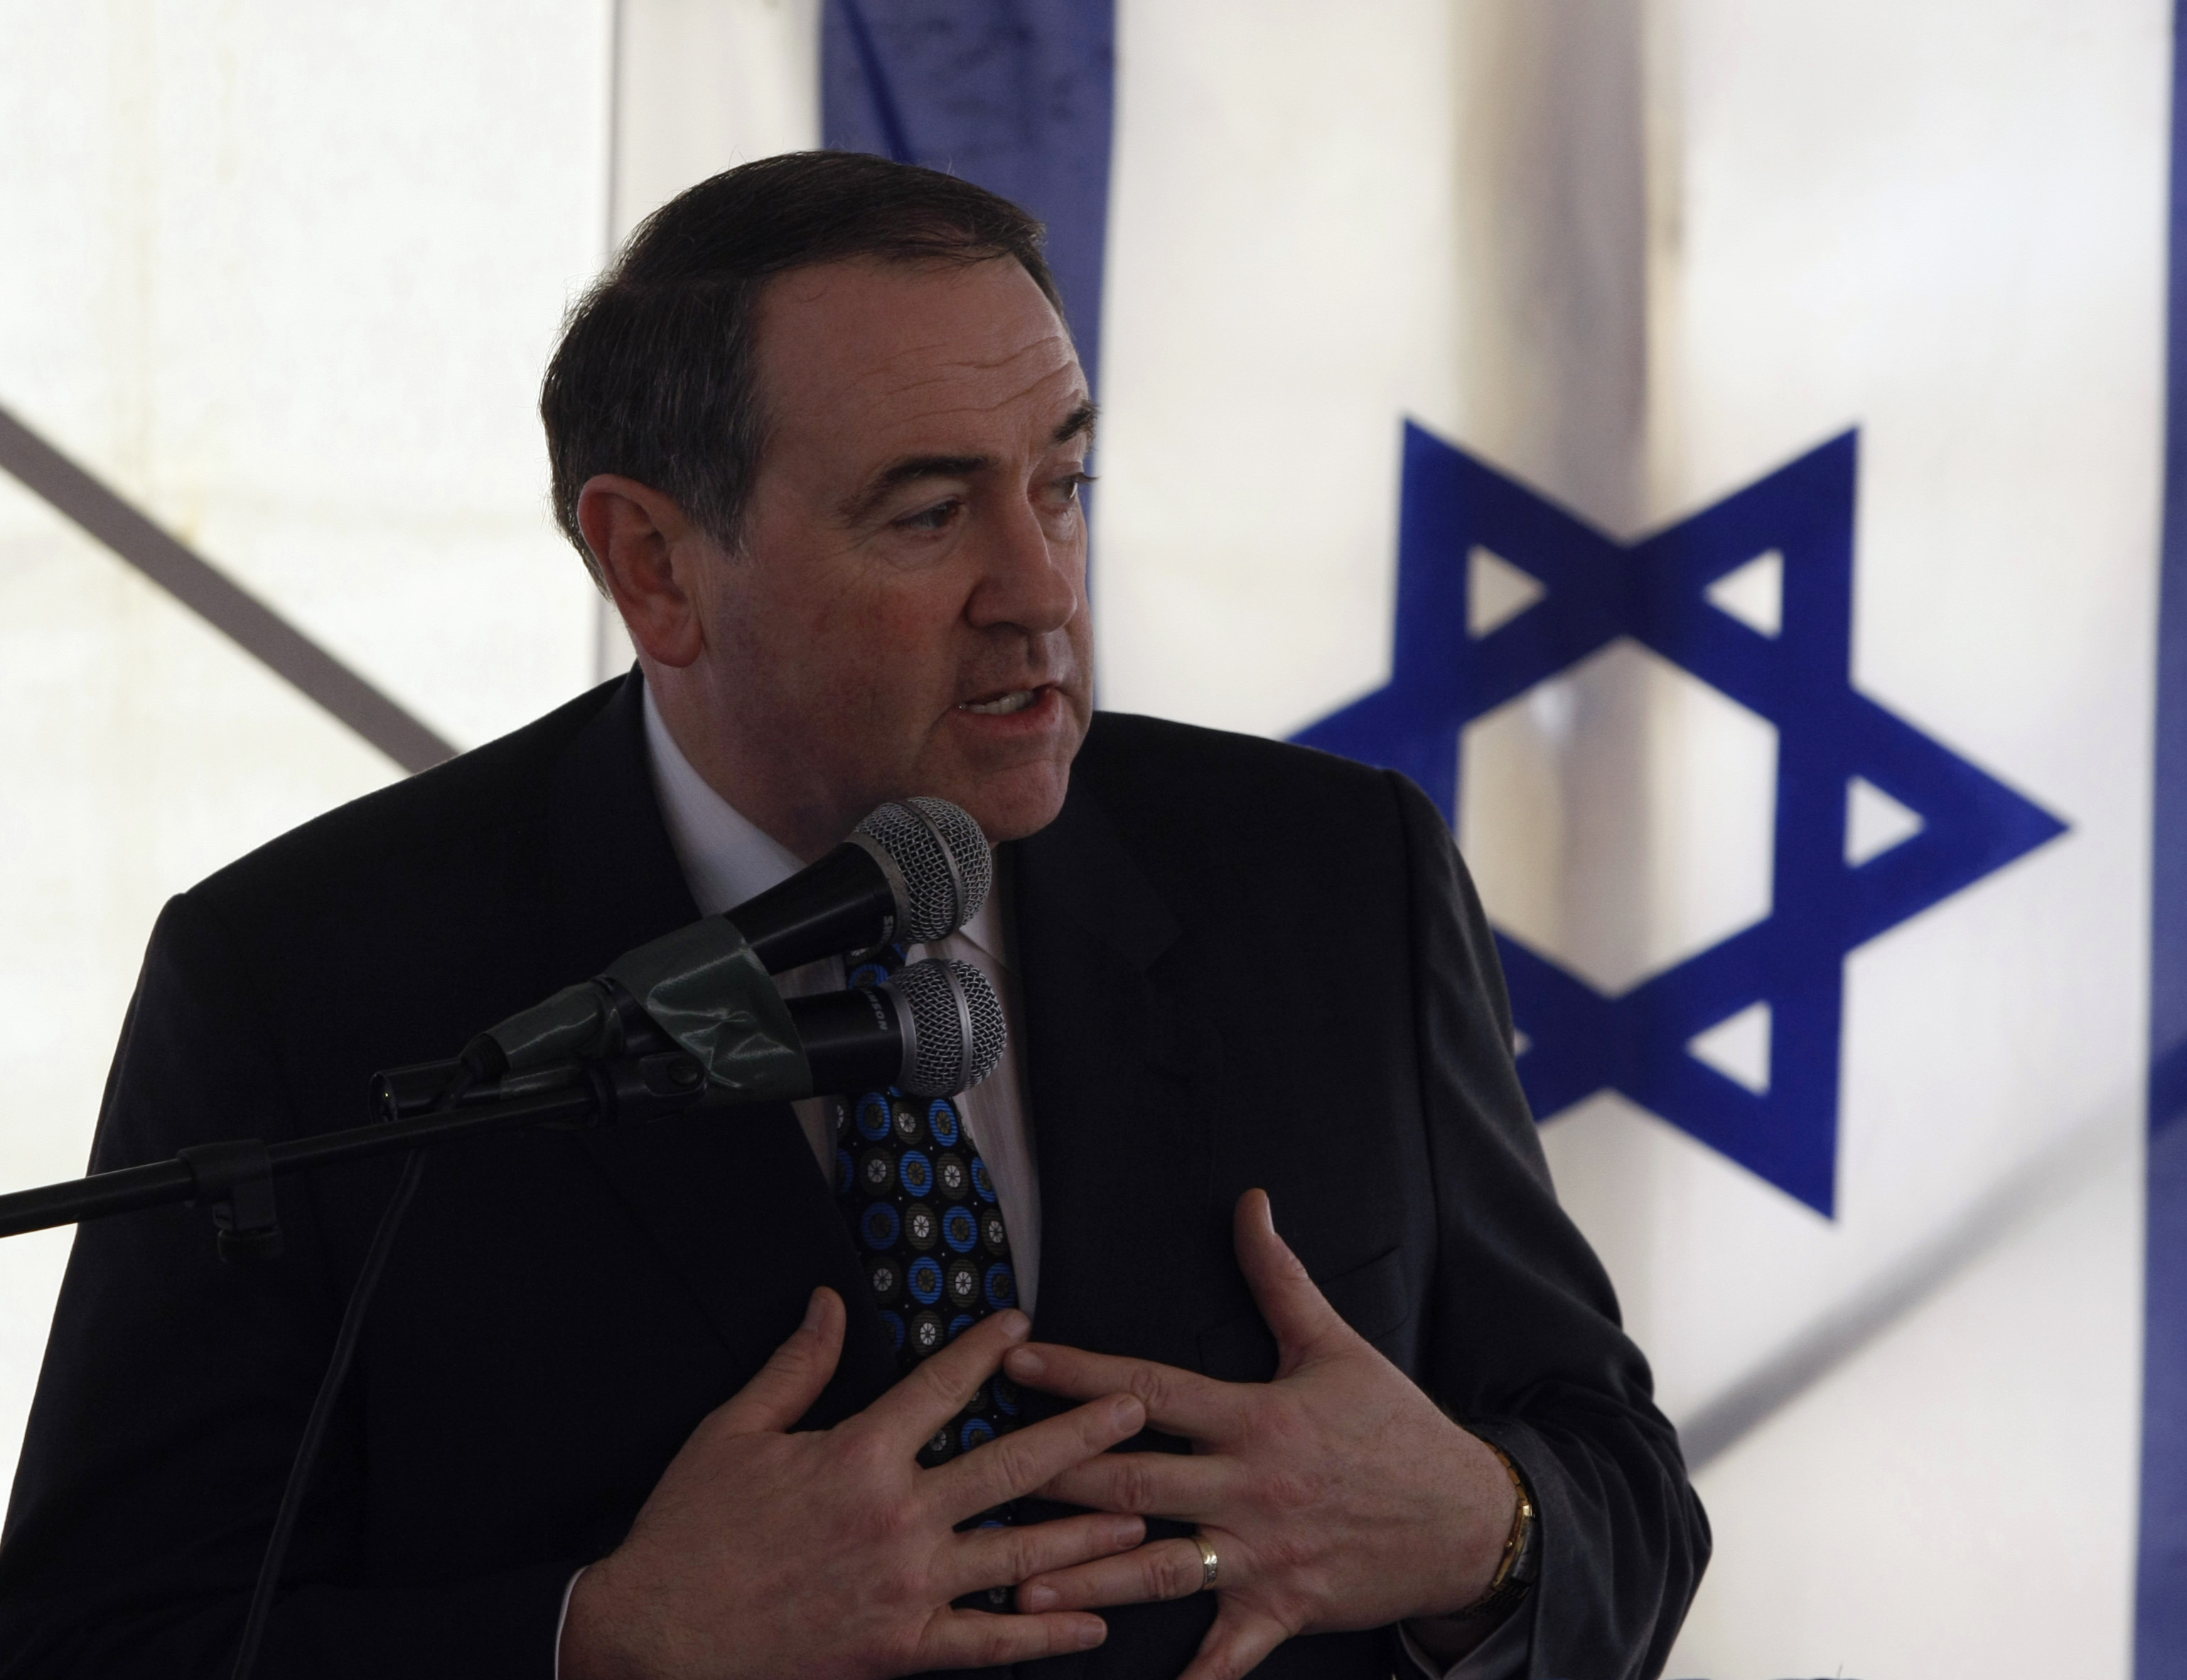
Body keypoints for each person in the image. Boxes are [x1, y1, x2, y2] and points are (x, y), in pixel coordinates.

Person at [0, 152, 1707, 1679]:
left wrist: (1486, 1533)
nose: (1040, 592)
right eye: (929, 511)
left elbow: (1623, 1496)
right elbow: (99, 1641)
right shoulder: (311, 978)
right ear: (654, 567)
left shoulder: (1335, 877)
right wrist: (601, 1642)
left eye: (1062, 484)